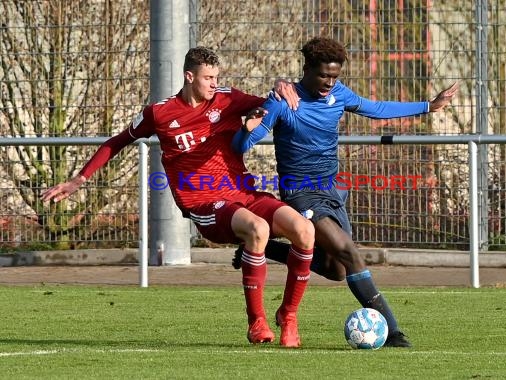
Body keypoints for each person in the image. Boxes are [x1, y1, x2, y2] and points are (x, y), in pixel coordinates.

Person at [40, 46, 315, 348]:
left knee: (304, 230)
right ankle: (256, 322)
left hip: (244, 192)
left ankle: (288, 316)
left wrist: (278, 87)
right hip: (204, 204)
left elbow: (270, 102)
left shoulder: (227, 99)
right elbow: (118, 141)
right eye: (208, 77)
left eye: (216, 77)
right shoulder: (160, 113)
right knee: (258, 230)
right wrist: (80, 179)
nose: (214, 83)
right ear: (189, 76)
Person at [232, 36, 459, 347]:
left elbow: (376, 108)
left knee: (336, 269)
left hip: (331, 191)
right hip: (300, 194)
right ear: (307, 69)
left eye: (335, 76)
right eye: (324, 75)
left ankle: (267, 250)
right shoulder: (283, 101)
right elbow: (242, 146)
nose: (329, 82)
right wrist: (247, 128)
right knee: (350, 254)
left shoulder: (338, 94)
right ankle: (392, 333)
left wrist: (428, 107)